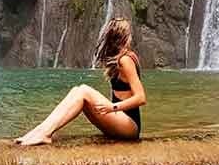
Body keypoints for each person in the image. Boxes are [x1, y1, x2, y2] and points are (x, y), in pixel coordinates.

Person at [15, 17, 145, 145]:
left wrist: (112, 107)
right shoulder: (120, 59)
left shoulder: (126, 60)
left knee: (83, 90)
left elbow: (141, 98)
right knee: (76, 90)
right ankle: (39, 131)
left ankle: (45, 134)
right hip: (120, 121)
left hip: (130, 126)